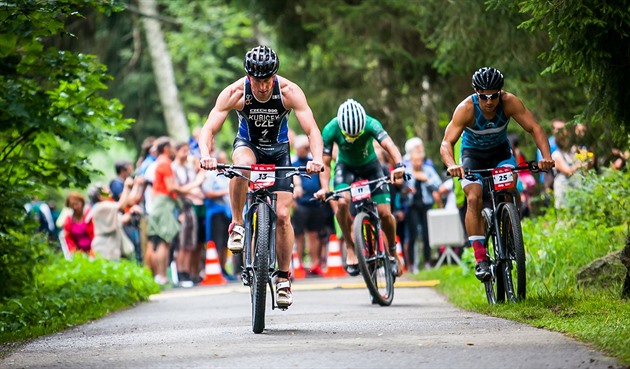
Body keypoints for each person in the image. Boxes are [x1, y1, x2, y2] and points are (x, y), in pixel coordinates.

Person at [199, 45, 324, 307]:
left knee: (282, 216)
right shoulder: (235, 92)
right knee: (241, 167)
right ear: (249, 77)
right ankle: (238, 225)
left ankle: (283, 278)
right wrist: (205, 154)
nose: (263, 87)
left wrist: (317, 159)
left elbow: (312, 129)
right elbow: (209, 127)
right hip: (249, 147)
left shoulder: (289, 92)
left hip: (279, 152)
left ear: (274, 76)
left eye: (268, 80)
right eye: (257, 81)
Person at [440, 67, 555, 281]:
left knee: (509, 186)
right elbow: (447, 142)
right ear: (476, 93)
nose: (489, 101)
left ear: (500, 92)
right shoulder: (466, 108)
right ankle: (481, 257)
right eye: (484, 96)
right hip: (472, 155)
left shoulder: (510, 102)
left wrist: (546, 157)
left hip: (500, 152)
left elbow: (535, 128)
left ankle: (512, 230)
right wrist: (452, 164)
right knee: (473, 196)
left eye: (494, 95)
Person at [314, 99, 406, 277]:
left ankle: (393, 252)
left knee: (385, 213)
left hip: (371, 166)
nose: (354, 138)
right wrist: (325, 187)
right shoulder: (331, 128)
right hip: (345, 167)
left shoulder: (371, 123)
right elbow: (324, 162)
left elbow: (389, 145)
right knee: (341, 203)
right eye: (350, 135)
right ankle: (350, 247)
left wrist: (400, 165)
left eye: (357, 134)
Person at [291, 134, 332, 276]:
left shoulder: (313, 161)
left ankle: (315, 264)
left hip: (315, 202)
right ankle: (299, 265)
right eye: (298, 148)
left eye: (303, 148)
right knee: (299, 235)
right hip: (301, 205)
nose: (300, 151)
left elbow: (323, 175)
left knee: (314, 234)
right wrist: (293, 201)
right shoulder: (293, 163)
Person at [405, 149, 442, 271]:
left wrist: (426, 179)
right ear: (411, 161)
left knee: (427, 234)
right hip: (412, 206)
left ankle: (427, 262)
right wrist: (406, 190)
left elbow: (438, 184)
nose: (417, 163)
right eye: (415, 160)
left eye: (420, 160)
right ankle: (412, 264)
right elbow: (401, 188)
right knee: (413, 235)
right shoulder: (407, 171)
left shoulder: (428, 170)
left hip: (426, 205)